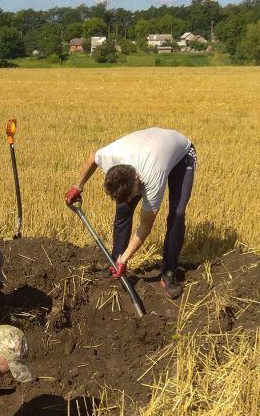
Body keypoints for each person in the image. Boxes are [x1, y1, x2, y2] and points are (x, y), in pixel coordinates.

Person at [65, 127, 196, 298]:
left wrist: (125, 259)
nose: (130, 199)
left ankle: (169, 272)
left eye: (132, 195)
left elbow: (145, 225)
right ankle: (114, 261)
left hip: (181, 157)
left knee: (177, 215)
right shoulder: (110, 157)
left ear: (136, 180)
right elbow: (92, 158)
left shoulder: (152, 175)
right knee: (123, 210)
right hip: (147, 150)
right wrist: (77, 187)